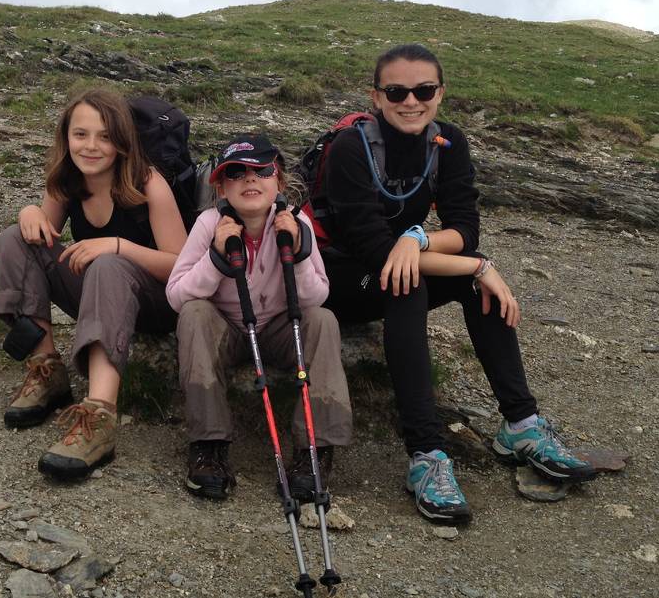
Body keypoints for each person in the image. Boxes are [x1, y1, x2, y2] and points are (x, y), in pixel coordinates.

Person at [319, 43, 594, 525]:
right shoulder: (351, 149)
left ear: (440, 93)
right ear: (376, 96)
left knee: (441, 279)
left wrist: (417, 237)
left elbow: (465, 226)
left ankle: (521, 425)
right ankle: (426, 453)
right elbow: (376, 253)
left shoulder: (448, 143)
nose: (411, 101)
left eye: (423, 90)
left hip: (399, 260)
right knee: (410, 283)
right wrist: (477, 266)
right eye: (397, 91)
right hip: (340, 279)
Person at [0, 89, 187, 481]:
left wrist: (118, 245)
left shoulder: (148, 183)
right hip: (100, 295)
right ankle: (46, 371)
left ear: (121, 140)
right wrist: (29, 211)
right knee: (16, 238)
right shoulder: (66, 181)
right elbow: (39, 237)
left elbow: (181, 268)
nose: (92, 146)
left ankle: (99, 415)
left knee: (109, 264)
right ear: (66, 137)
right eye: (81, 134)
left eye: (104, 136)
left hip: (154, 303)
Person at [166, 134, 353, 501]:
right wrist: (216, 258)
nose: (250, 179)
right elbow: (177, 294)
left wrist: (297, 253)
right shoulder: (208, 225)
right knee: (194, 312)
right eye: (236, 173)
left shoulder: (298, 223)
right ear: (220, 187)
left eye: (261, 170)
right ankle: (209, 445)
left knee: (324, 320)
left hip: (284, 328)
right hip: (227, 329)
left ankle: (314, 450)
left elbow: (317, 294)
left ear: (279, 181)